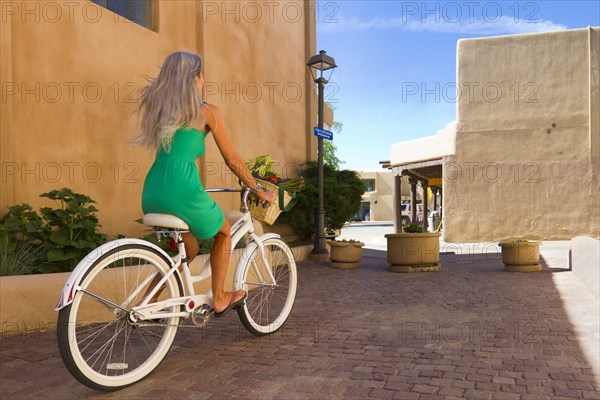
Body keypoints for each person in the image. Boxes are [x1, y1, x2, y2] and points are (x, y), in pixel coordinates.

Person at [134, 51, 273, 317]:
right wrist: (257, 189)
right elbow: (232, 160)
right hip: (182, 188)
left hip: (153, 190)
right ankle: (220, 298)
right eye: (201, 74)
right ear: (196, 77)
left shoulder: (163, 112)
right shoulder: (207, 112)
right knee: (223, 233)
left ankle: (145, 301)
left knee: (190, 249)